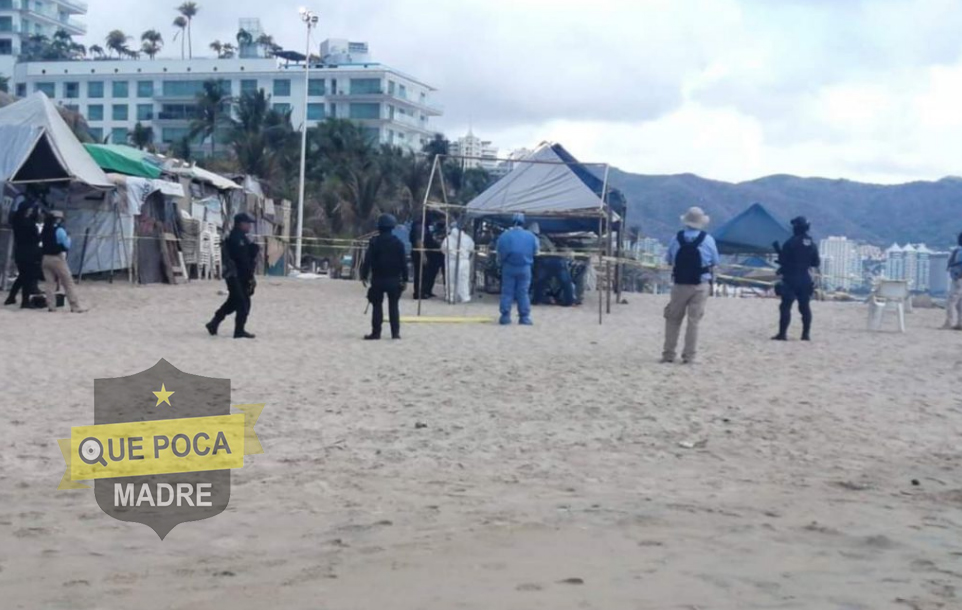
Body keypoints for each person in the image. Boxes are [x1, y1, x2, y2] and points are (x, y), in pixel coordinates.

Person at [662, 206, 719, 364]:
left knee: (673, 319)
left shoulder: (676, 238)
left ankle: (668, 354)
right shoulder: (708, 239)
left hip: (680, 284)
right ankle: (689, 356)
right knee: (693, 322)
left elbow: (669, 259)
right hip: (700, 284)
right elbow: (715, 262)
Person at [206, 213, 259, 339]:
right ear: (241, 224)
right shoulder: (236, 238)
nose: (249, 226)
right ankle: (238, 331)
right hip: (235, 275)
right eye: (247, 223)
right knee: (242, 302)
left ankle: (214, 323)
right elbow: (241, 260)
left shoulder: (242, 238)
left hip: (241, 276)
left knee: (234, 301)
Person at [772, 216, 821, 341]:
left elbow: (784, 260)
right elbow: (816, 262)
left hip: (791, 278)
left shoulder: (791, 242)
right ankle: (805, 334)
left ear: (796, 227)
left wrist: (781, 257)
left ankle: (782, 334)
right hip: (805, 278)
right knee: (804, 307)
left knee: (785, 306)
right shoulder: (812, 244)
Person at [361, 214, 408, 340]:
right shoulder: (398, 243)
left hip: (378, 279)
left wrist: (363, 275)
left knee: (377, 306)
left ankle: (376, 333)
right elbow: (404, 263)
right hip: (394, 279)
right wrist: (405, 279)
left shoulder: (374, 242)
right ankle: (395, 333)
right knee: (394, 306)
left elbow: (367, 261)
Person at [496, 213, 539, 325]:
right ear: (523, 222)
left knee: (507, 292)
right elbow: (535, 251)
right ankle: (524, 317)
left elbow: (500, 252)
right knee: (523, 292)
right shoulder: (531, 236)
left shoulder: (504, 236)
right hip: (525, 267)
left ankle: (505, 316)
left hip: (509, 267)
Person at [4, 188, 43, 308]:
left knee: (22, 276)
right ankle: (24, 301)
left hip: (19, 251)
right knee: (27, 277)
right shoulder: (29, 225)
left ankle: (11, 297)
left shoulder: (17, 221)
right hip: (30, 252)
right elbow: (36, 239)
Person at [40, 210, 85, 313]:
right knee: (68, 282)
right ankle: (75, 306)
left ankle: (51, 306)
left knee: (49, 283)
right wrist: (68, 237)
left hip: (45, 258)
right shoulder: (59, 230)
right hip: (57, 258)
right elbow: (66, 245)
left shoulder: (45, 229)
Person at [441, 222, 475, 304]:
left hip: (451, 261)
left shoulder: (447, 239)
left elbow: (443, 249)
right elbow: (471, 250)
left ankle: (450, 296)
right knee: (463, 280)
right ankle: (464, 297)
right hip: (464, 261)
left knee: (450, 280)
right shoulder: (468, 238)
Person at [411, 213, 442, 299]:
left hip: (428, 254)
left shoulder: (425, 227)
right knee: (420, 274)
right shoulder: (420, 227)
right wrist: (423, 255)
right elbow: (419, 241)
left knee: (427, 274)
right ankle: (419, 293)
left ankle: (426, 291)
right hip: (420, 254)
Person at [943, 232, 962, 330]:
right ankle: (960, 323)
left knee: (951, 301)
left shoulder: (958, 251)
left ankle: (949, 323)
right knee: (960, 303)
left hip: (958, 278)